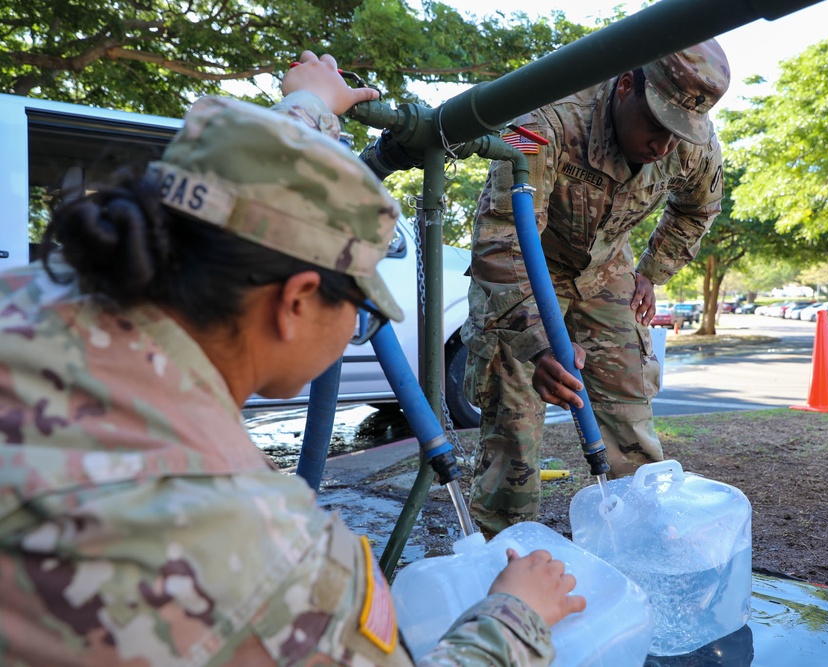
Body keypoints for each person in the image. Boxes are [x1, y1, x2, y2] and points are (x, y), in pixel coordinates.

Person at [0, 51, 584, 666]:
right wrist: (517, 616)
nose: (358, 328)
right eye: (359, 308)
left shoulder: (30, 299)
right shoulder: (266, 554)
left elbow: (234, 188)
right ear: (298, 301)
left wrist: (309, 107)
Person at [461, 40, 731, 536]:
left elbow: (699, 207)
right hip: (529, 267)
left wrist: (652, 270)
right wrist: (539, 345)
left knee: (630, 417)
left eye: (678, 134)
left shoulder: (691, 139)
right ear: (627, 85)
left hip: (607, 270)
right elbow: (501, 242)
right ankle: (505, 554)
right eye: (655, 126)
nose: (664, 147)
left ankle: (645, 546)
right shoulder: (545, 119)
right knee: (515, 425)